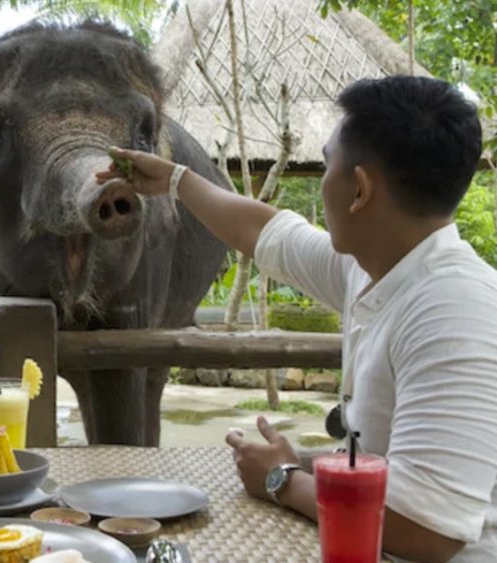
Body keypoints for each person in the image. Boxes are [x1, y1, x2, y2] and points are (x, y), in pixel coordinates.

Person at [97, 76, 497, 562]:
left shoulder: (454, 310)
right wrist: (175, 181)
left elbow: (428, 530)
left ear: (360, 190)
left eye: (329, 164)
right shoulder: (376, 266)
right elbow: (267, 232)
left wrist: (283, 480)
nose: (324, 178)